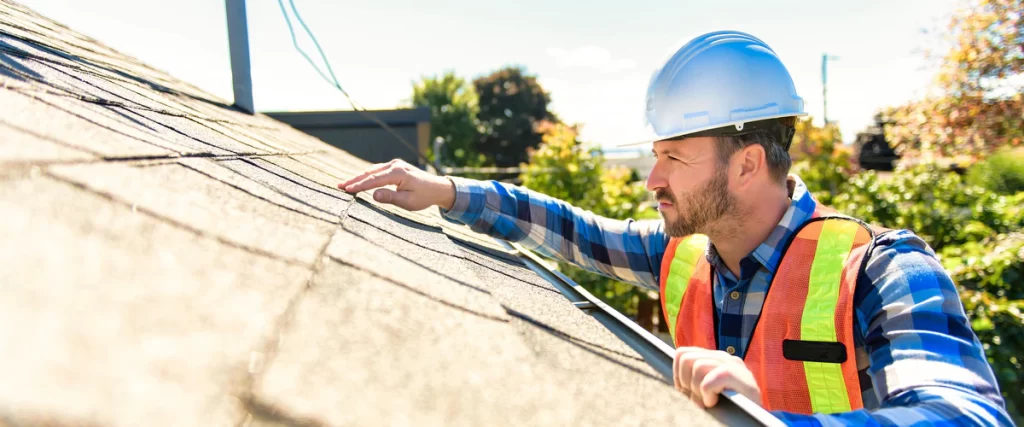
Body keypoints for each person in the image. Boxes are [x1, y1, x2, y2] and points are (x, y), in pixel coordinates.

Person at [338, 31, 1012, 426]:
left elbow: (968, 417)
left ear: (747, 164)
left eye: (674, 158)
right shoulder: (688, 252)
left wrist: (777, 421)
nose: (652, 180)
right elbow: (573, 229)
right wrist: (449, 192)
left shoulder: (884, 270)